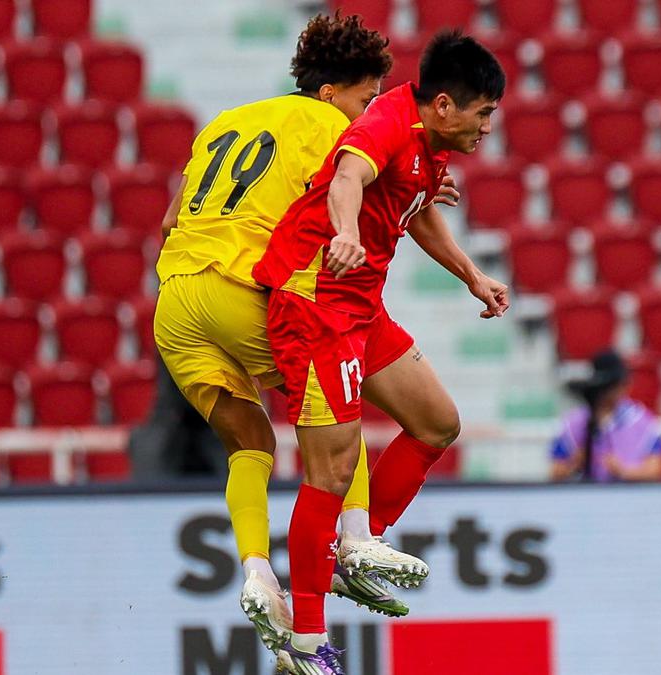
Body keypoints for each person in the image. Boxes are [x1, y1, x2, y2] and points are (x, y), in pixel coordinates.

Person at [153, 13, 429, 664]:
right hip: (234, 288)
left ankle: (257, 571)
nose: (368, 114)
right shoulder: (332, 127)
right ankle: (356, 538)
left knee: (250, 442)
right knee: (335, 395)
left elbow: (170, 220)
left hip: (174, 302)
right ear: (333, 93)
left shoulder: (224, 122)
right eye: (366, 98)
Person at [252, 30, 508, 672]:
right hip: (314, 304)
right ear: (446, 105)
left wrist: (472, 276)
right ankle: (307, 644)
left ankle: (354, 551)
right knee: (331, 474)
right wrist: (342, 232)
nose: (486, 129)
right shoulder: (386, 122)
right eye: (483, 115)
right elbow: (349, 176)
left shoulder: (426, 145)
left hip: (360, 308)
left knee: (438, 423)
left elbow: (413, 206)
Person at [550, 350, 661, 482]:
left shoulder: (643, 423)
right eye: (608, 387)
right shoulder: (574, 423)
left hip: (629, 497)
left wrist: (623, 471)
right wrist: (574, 464)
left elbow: (656, 470)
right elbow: (554, 472)